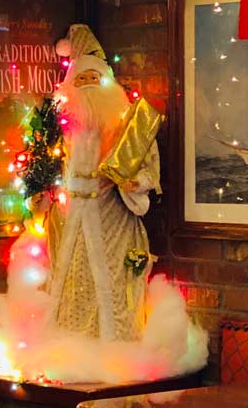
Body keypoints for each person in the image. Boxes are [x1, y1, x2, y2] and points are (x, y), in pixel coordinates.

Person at [35, 25, 163, 340]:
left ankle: (116, 346)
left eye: (95, 79)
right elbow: (46, 165)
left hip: (113, 215)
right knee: (72, 279)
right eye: (82, 80)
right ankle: (72, 347)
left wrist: (137, 182)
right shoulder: (59, 123)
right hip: (70, 214)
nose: (89, 87)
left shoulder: (124, 120)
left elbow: (146, 162)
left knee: (113, 280)